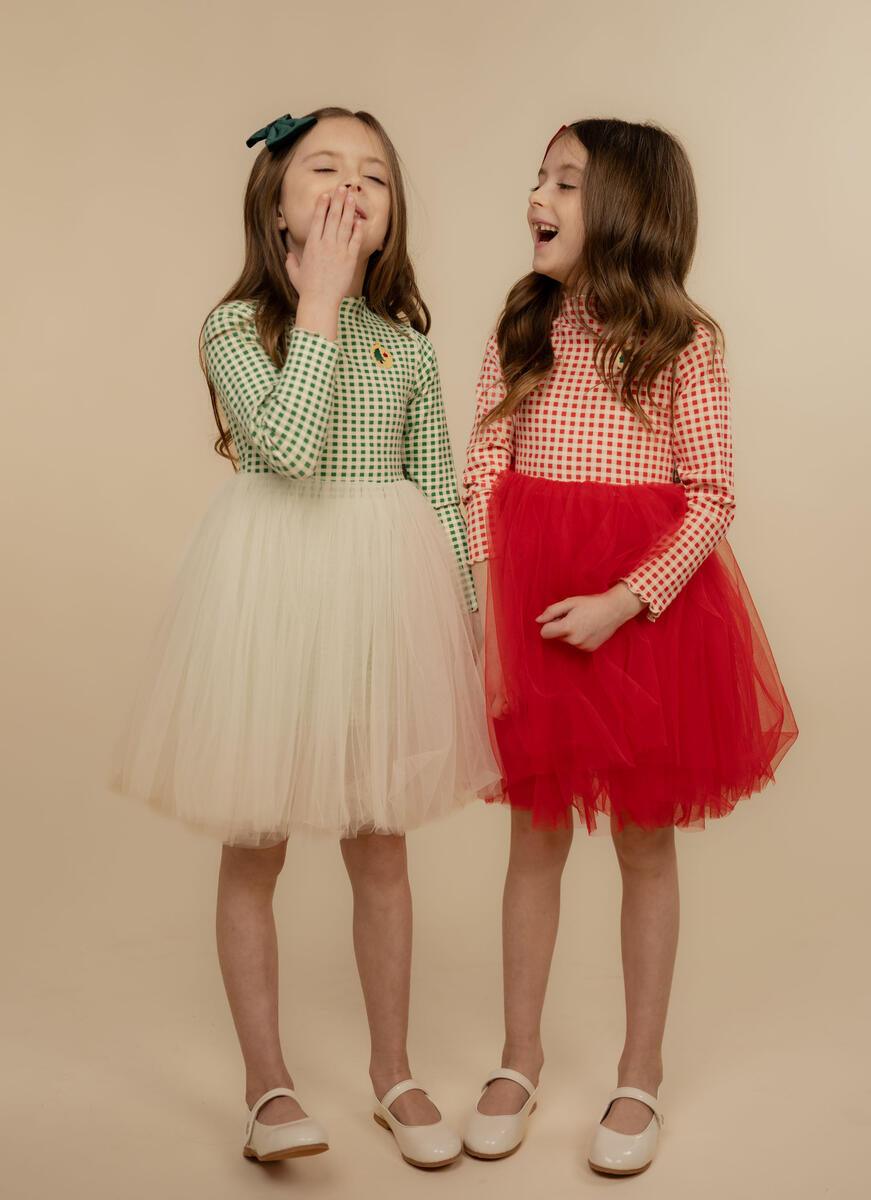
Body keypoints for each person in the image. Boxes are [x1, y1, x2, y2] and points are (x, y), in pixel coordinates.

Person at [109, 106, 499, 1169]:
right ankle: (265, 1083)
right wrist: (318, 304)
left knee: (382, 844)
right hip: (273, 598)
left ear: (390, 213)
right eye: (324, 166)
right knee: (257, 838)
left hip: (383, 604)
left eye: (372, 174)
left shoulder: (407, 348)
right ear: (275, 204)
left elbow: (440, 489)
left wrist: (469, 615)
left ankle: (391, 1071)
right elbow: (281, 446)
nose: (350, 185)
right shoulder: (235, 327)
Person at [459, 118, 798, 1175]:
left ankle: (637, 1073)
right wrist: (485, 608)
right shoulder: (523, 322)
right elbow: (479, 469)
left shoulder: (683, 342)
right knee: (533, 836)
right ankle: (517, 1058)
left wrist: (623, 598)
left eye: (564, 180)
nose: (536, 195)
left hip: (638, 619)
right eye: (538, 176)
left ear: (625, 208)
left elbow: (711, 494)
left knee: (644, 843)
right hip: (531, 609)